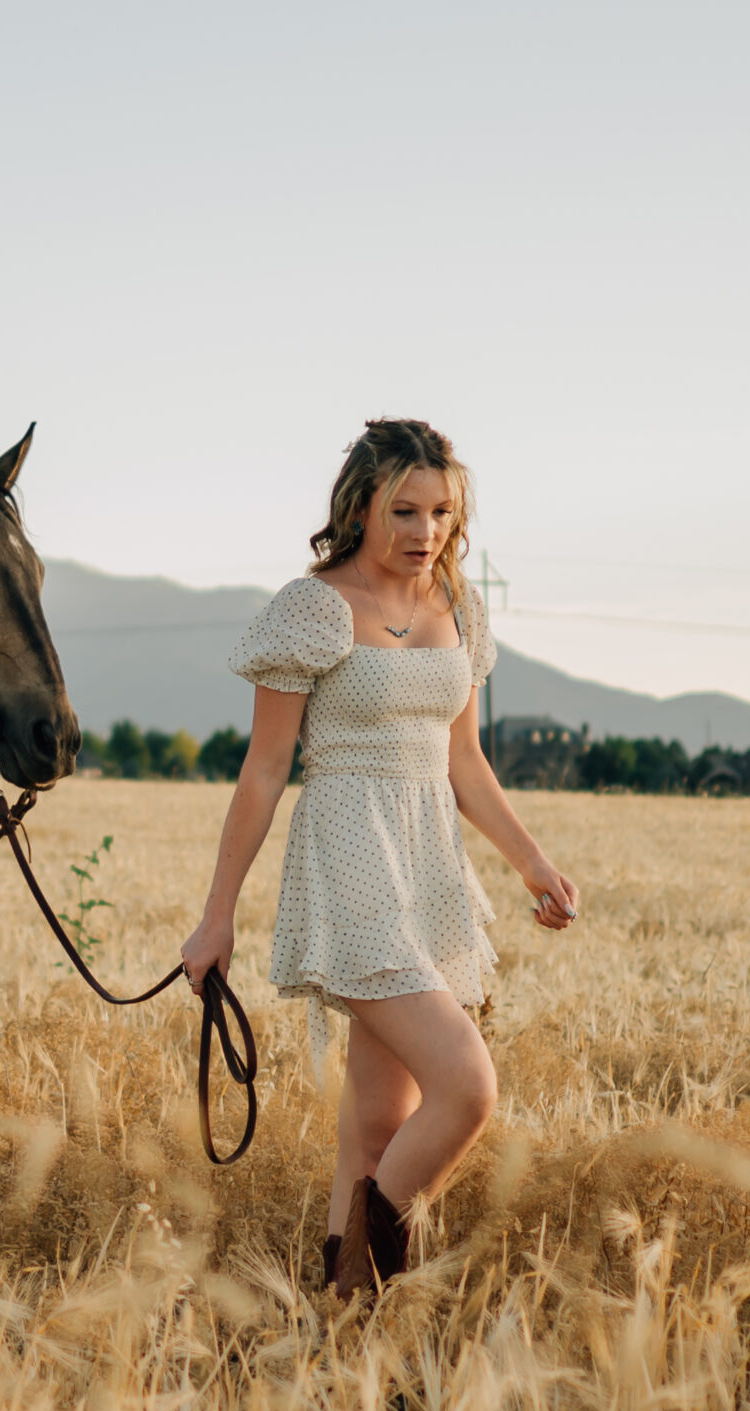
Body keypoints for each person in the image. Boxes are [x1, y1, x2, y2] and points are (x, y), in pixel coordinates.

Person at [180, 419, 578, 1299]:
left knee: (372, 1129)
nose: (423, 532)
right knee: (468, 1087)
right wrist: (217, 918)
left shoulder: (459, 610)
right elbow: (263, 771)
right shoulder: (313, 608)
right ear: (360, 505)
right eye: (404, 510)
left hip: (427, 864)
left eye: (441, 512)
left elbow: (464, 760)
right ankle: (367, 1285)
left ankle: (339, 1335)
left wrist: (532, 864)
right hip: (348, 863)